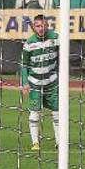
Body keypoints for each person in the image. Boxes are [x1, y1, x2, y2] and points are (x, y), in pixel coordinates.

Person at [20, 15, 60, 151]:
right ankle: (35, 142)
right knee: (35, 113)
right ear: (34, 27)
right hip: (35, 84)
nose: (41, 28)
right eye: (37, 26)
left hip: (52, 83)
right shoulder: (29, 43)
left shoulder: (56, 38)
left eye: (43, 25)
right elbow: (24, 65)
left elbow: (63, 57)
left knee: (57, 113)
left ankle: (59, 142)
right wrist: (25, 83)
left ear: (47, 26)